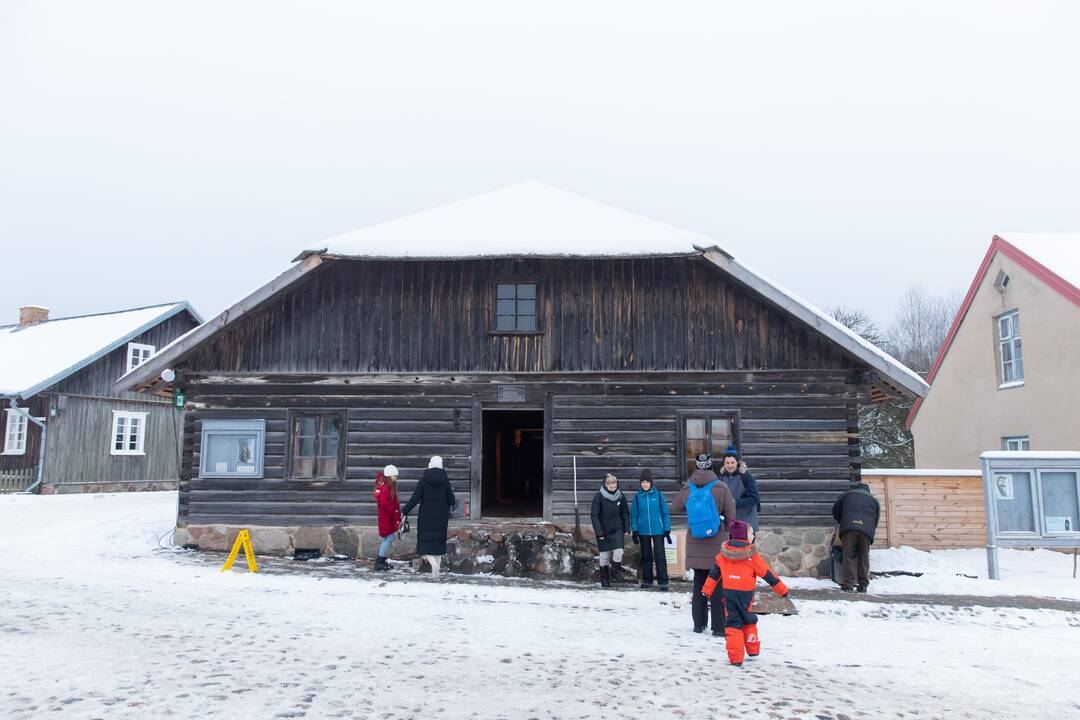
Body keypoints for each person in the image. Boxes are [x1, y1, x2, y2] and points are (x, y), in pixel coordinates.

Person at [701, 520, 789, 667]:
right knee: (748, 619)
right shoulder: (753, 557)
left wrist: (706, 590)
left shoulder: (722, 556)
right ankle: (753, 649)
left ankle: (735, 657)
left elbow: (713, 575)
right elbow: (769, 575)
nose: (752, 535)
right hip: (746, 595)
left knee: (733, 623)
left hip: (729, 594)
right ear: (744, 536)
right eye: (750, 533)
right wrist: (782, 590)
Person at [674, 453, 737, 635]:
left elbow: (676, 506)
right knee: (717, 584)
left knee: (699, 583)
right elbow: (731, 516)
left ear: (697, 466)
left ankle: (698, 625)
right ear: (711, 466)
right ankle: (718, 628)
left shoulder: (688, 487)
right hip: (717, 542)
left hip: (695, 540)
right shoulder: (721, 487)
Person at [401, 456, 456, 577]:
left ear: (430, 464)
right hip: (441, 516)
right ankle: (436, 569)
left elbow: (415, 499)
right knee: (438, 543)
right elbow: (452, 500)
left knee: (426, 545)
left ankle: (433, 564)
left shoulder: (423, 481)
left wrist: (405, 511)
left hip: (426, 516)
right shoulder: (445, 481)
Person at [831, 482, 881, 593]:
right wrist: (869, 529)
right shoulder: (874, 500)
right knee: (864, 556)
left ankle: (848, 585)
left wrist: (843, 521)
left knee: (847, 556)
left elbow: (835, 510)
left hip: (849, 528)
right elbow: (876, 519)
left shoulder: (847, 495)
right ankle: (863, 585)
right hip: (866, 530)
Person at [630, 469, 672, 590]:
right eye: (643, 482)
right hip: (643, 531)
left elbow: (665, 513)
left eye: (647, 482)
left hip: (658, 530)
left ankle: (663, 581)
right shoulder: (638, 497)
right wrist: (635, 529)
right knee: (646, 556)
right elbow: (634, 515)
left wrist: (667, 528)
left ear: (651, 483)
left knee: (660, 555)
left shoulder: (658, 495)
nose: (645, 484)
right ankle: (647, 580)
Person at [591, 473, 630, 588]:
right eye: (611, 487)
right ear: (606, 485)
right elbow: (594, 516)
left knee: (619, 551)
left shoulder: (621, 496)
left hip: (617, 528)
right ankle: (604, 578)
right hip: (603, 530)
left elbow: (625, 512)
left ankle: (615, 572)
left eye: (615, 487)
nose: (613, 489)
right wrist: (599, 532)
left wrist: (627, 527)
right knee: (604, 555)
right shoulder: (598, 497)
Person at [717, 445, 760, 532]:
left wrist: (736, 502)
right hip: (730, 520)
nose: (730, 466)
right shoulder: (721, 478)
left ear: (737, 462)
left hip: (746, 520)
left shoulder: (746, 477)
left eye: (732, 462)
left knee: (746, 545)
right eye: (727, 463)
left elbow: (754, 498)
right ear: (724, 463)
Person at [373, 465, 402, 571]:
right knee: (389, 538)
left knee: (386, 538)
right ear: (389, 475)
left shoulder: (386, 485)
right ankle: (380, 561)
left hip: (386, 518)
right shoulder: (386, 487)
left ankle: (380, 560)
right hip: (387, 518)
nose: (396, 478)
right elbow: (385, 503)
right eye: (395, 475)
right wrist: (395, 512)